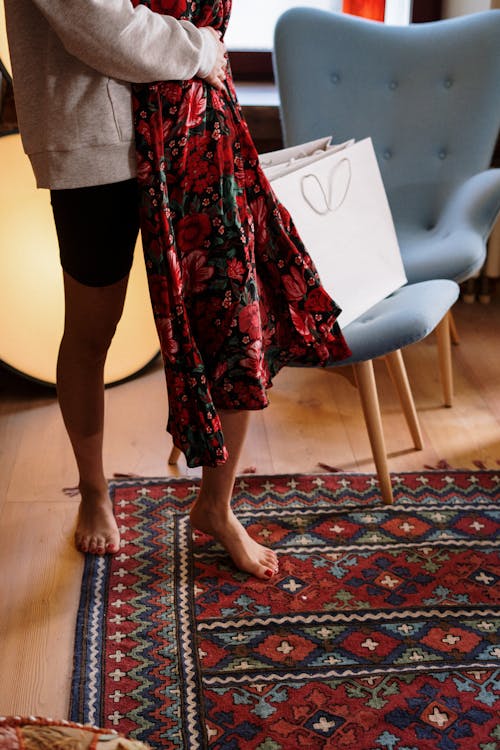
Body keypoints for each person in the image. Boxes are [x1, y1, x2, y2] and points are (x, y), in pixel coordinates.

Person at [131, 0, 351, 580]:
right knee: (109, 324)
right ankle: (99, 496)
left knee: (239, 319)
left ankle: (216, 505)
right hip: (135, 135)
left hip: (214, 128)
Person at [4, 0, 226, 556]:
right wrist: (201, 49)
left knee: (220, 316)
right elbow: (100, 28)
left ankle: (217, 506)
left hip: (188, 125)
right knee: (91, 327)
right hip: (96, 145)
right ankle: (94, 491)